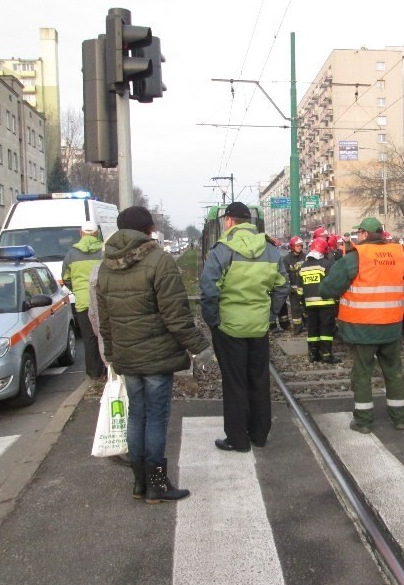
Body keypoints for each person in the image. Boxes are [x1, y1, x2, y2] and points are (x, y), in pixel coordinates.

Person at [96, 206, 212, 504]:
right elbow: (176, 315)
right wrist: (200, 347)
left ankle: (139, 483)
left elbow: (105, 319)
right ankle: (157, 485)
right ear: (148, 229)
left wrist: (111, 354)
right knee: (156, 419)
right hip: (157, 357)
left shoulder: (106, 266)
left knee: (137, 415)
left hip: (127, 356)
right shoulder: (159, 261)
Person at [200, 201, 290, 452]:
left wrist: (213, 321)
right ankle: (260, 435)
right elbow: (283, 286)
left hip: (229, 328)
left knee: (234, 382)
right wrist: (269, 314)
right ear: (249, 222)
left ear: (228, 221)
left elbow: (208, 290)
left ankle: (238, 439)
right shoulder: (271, 250)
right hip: (258, 327)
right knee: (259, 379)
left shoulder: (222, 250)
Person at [320, 217, 404, 433]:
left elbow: (328, 289)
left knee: (362, 373)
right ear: (380, 234)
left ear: (363, 234)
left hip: (362, 327)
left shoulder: (355, 258)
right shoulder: (399, 255)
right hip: (391, 325)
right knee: (394, 372)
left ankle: (363, 422)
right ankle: (400, 418)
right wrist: (400, 311)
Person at [62, 222, 105, 378]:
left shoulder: (71, 253)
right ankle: (108, 369)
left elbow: (65, 277)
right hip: (103, 300)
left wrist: (78, 290)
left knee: (89, 338)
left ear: (81, 233)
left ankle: (94, 373)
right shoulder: (104, 250)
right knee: (105, 334)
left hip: (83, 302)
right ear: (96, 234)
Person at [299, 237, 339, 364]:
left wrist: (302, 303)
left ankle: (313, 354)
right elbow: (332, 283)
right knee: (326, 329)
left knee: (313, 329)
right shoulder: (326, 264)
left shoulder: (303, 266)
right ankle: (326, 354)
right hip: (325, 302)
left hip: (309, 303)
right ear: (324, 250)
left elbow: (300, 289)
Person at [283, 236, 307, 334]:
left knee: (306, 308)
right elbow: (284, 274)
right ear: (292, 246)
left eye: (301, 246)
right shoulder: (287, 259)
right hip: (293, 290)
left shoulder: (305, 257)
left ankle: (308, 324)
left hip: (305, 288)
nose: (300, 247)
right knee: (295, 309)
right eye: (297, 246)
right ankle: (298, 327)